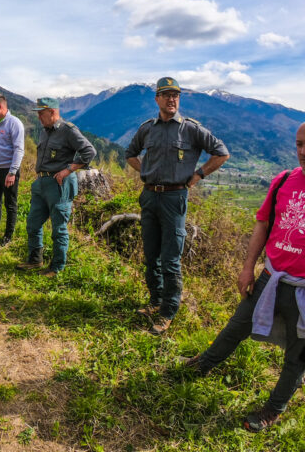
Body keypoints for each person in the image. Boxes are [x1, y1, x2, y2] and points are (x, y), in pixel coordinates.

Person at [182, 122, 305, 432]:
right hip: (271, 278)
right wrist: (248, 267)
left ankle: (273, 409)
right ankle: (204, 364)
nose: (303, 151)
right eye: (300, 144)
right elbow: (262, 224)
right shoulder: (284, 181)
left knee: (298, 355)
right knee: (237, 324)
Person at [126, 77, 229, 335]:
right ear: (157, 99)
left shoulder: (191, 129)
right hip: (149, 196)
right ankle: (155, 301)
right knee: (151, 255)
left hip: (174, 199)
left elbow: (221, 152)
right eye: (166, 95)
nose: (172, 99)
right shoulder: (147, 128)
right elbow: (130, 154)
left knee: (171, 259)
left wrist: (199, 175)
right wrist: (145, 171)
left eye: (176, 95)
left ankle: (168, 311)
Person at [23, 97, 96, 277]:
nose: (39, 116)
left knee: (58, 228)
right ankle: (35, 259)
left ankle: (56, 267)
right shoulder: (44, 132)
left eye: (42, 113)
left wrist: (69, 169)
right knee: (32, 223)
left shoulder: (68, 131)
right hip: (41, 183)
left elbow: (89, 151)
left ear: (53, 112)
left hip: (59, 184)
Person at [0, 94, 25, 246]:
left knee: (10, 204)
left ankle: (8, 236)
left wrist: (12, 172)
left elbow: (19, 150)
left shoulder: (14, 123)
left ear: (1, 107)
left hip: (8, 172)